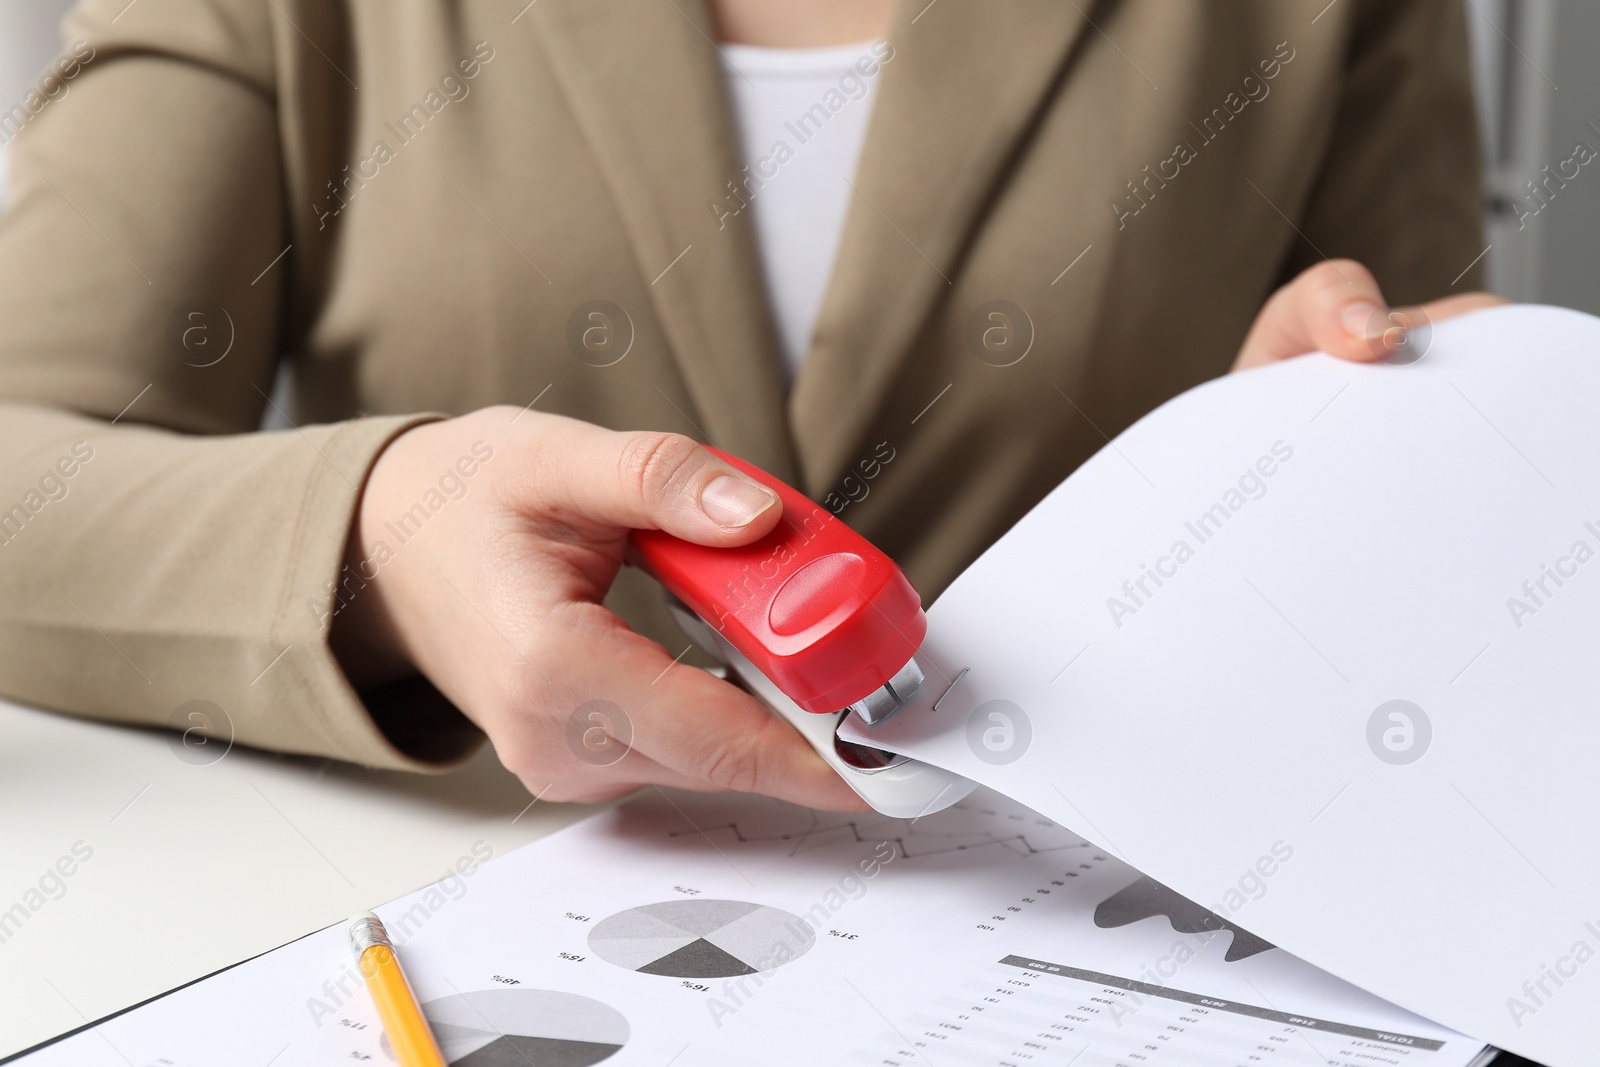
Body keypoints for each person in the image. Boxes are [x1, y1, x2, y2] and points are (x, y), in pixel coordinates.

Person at [0, 0, 1499, 812]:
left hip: (1102, 936)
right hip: (462, 949)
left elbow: (1411, 439)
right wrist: (385, 539)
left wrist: (1324, 483)